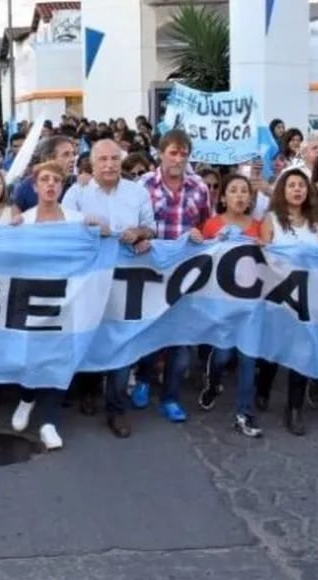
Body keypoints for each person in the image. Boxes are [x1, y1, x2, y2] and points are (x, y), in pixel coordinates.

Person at [9, 161, 110, 450]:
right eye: (45, 179)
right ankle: (26, 400)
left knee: (58, 360)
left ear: (62, 186)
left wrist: (99, 226)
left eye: (56, 180)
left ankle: (49, 422)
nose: (51, 184)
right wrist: (9, 228)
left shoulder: (76, 220)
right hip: (30, 298)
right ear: (35, 186)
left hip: (66, 300)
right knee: (31, 355)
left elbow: (105, 235)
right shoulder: (24, 221)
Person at [61, 139, 156, 438]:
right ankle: (88, 390)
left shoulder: (138, 192)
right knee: (91, 335)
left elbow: (151, 228)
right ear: (92, 162)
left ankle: (115, 409)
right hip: (89, 280)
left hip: (127, 281)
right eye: (103, 159)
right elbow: (63, 231)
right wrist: (89, 230)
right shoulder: (77, 194)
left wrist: (139, 234)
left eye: (115, 159)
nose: (110, 165)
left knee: (121, 341)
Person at [135, 129, 209, 423]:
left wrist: (199, 235)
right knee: (150, 332)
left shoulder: (200, 188)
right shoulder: (143, 186)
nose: (178, 158)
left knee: (180, 338)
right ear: (161, 153)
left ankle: (171, 397)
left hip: (185, 275)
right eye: (173, 152)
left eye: (183, 153)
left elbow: (206, 224)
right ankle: (143, 379)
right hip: (151, 272)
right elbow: (136, 223)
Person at [256, 168, 318, 435]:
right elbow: (264, 256)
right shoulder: (271, 219)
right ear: (282, 191)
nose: (297, 189)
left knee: (301, 353)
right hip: (278, 294)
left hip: (308, 296)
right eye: (292, 185)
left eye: (302, 185)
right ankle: (263, 387)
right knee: (275, 348)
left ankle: (294, 408)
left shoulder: (316, 222)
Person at [197, 175, 263, 438]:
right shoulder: (212, 225)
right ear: (223, 197)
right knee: (223, 356)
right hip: (221, 305)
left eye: (244, 191)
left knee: (248, 358)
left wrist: (264, 248)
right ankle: (213, 383)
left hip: (251, 306)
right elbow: (200, 260)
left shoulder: (259, 226)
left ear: (250, 198)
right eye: (233, 191)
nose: (239, 196)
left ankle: (244, 413)